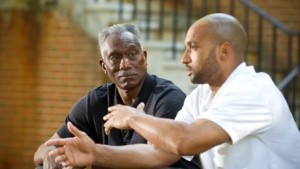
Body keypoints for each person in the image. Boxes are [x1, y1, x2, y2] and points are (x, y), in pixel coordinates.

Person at [46, 13, 300, 169]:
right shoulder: (201, 96)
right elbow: (159, 153)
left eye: (193, 48)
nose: (184, 58)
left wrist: (134, 117)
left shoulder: (252, 90)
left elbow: (184, 140)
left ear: (224, 51)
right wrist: (95, 153)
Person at [33, 23, 201, 169]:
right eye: (115, 57)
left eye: (132, 54)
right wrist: (52, 154)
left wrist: (93, 154)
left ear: (144, 58)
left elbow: (153, 158)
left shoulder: (168, 99)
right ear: (104, 66)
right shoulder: (95, 102)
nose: (125, 64)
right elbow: (42, 150)